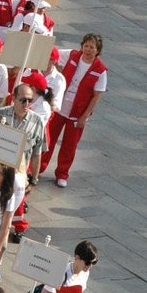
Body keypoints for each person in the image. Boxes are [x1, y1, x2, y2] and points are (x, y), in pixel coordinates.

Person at [39, 34, 107, 188]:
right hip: (60, 107)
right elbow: (53, 53)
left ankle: (62, 173)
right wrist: (58, 68)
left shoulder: (100, 70)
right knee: (49, 139)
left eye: (92, 47)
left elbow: (96, 96)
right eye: (86, 45)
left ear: (97, 51)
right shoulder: (71, 55)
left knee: (70, 145)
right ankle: (40, 167)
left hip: (78, 112)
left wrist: (85, 116)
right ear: (82, 45)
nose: (88, 49)